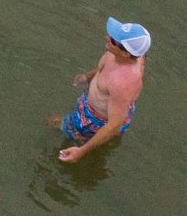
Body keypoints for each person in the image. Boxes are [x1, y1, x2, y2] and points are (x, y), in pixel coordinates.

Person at [57, 17, 150, 162]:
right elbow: (103, 69)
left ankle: (86, 151)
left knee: (60, 128)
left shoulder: (123, 82)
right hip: (105, 103)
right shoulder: (124, 53)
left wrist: (80, 152)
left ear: (126, 53)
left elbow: (114, 125)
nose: (108, 37)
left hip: (94, 120)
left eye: (113, 40)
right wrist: (87, 77)